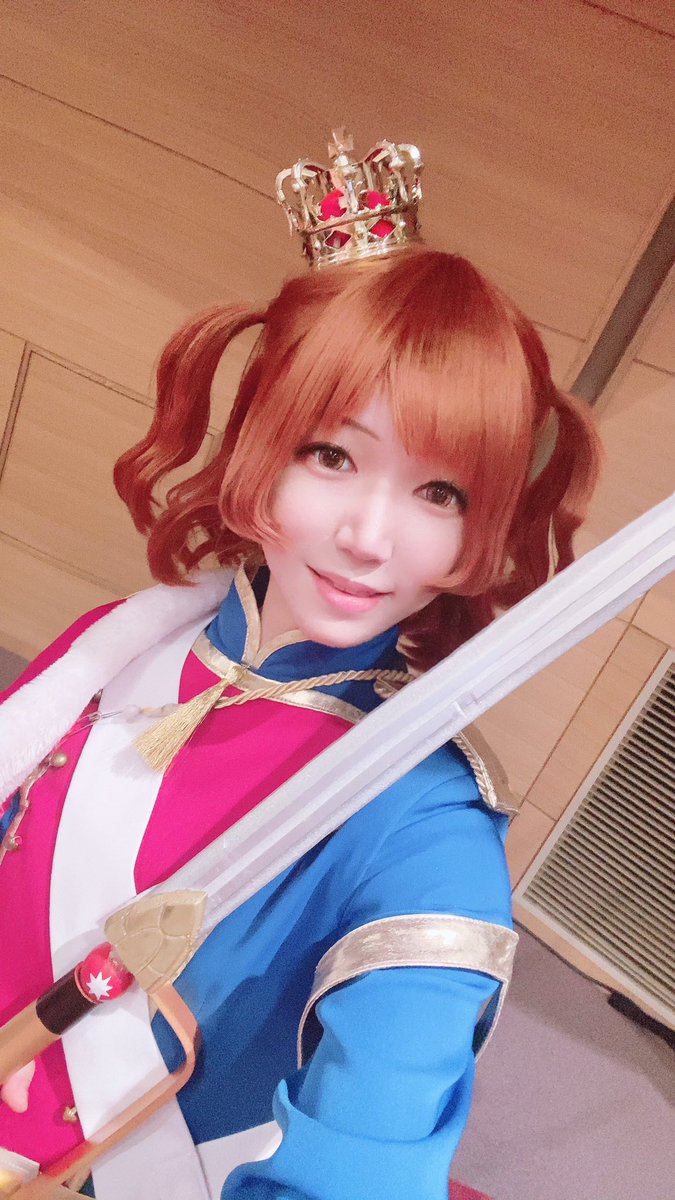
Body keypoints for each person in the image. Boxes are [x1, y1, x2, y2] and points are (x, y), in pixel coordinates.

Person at [0, 136, 600, 1199]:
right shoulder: (119, 644)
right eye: (333, 455)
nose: (368, 537)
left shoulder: (424, 822)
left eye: (439, 493)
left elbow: (370, 1145)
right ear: (260, 446)